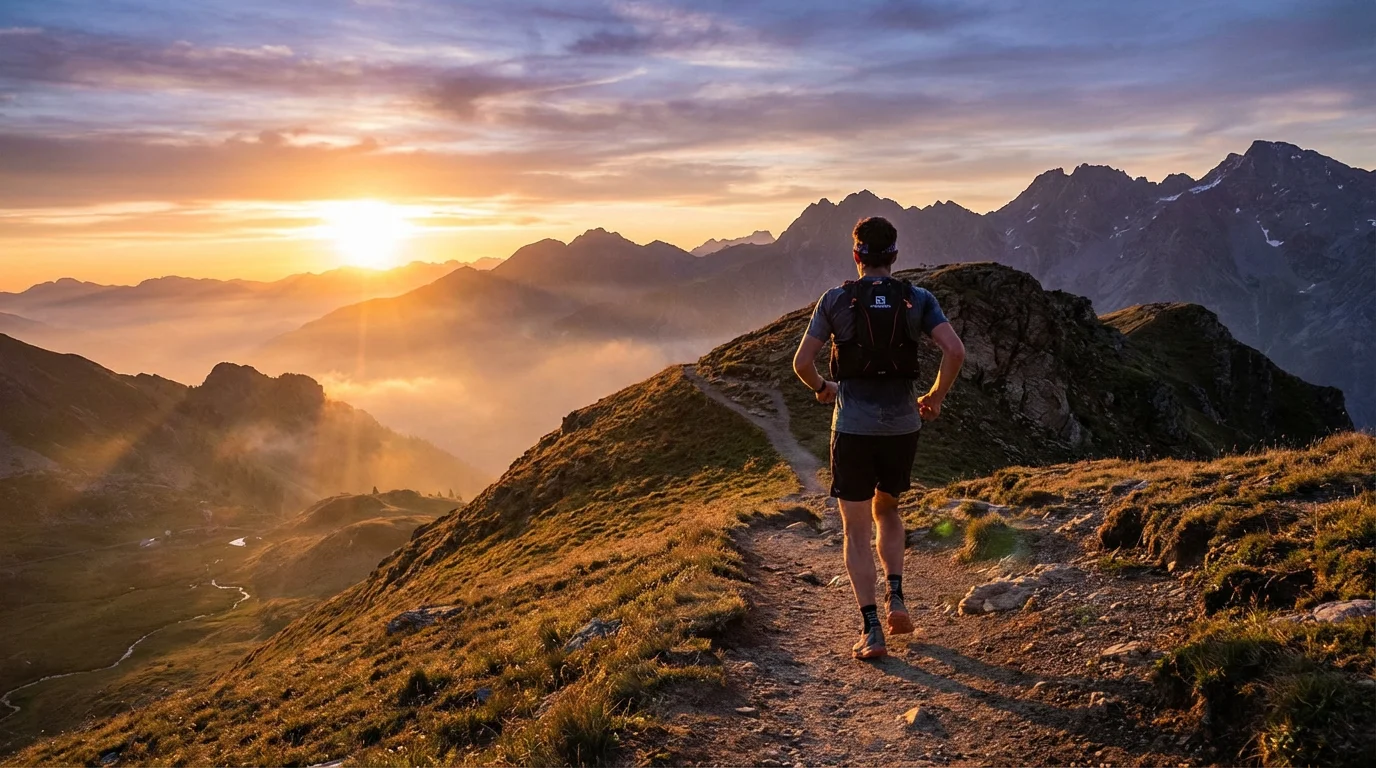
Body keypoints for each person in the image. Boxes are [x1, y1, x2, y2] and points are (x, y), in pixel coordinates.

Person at [792, 216, 965, 660]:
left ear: (856, 255)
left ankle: (872, 630)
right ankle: (898, 598)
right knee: (888, 509)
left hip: (852, 427)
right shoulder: (918, 298)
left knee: (855, 528)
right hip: (903, 426)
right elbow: (954, 350)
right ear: (893, 255)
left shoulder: (835, 300)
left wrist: (822, 388)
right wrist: (935, 397)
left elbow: (802, 362)